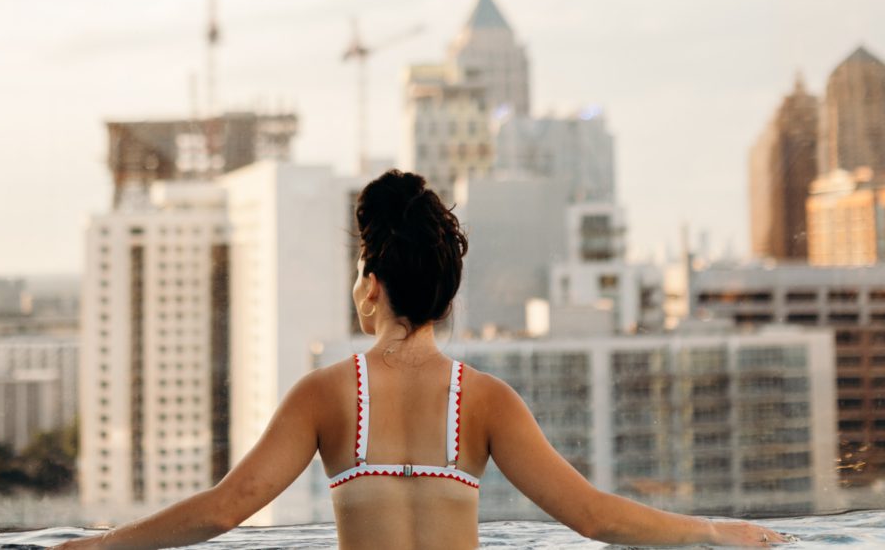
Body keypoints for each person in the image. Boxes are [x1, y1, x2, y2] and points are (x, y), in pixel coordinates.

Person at [57, 170, 785, 549]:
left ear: (370, 288)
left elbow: (226, 508)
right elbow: (594, 517)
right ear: (445, 293)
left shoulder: (325, 396)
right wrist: (715, 532)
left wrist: (101, 549)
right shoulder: (488, 400)